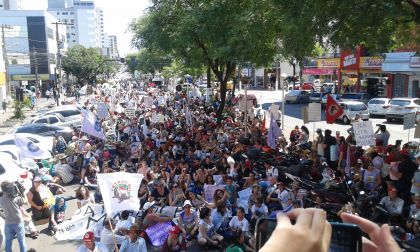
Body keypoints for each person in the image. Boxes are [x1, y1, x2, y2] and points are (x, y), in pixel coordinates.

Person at [1, 181, 28, 252]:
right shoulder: (16, 198)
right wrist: (23, 192)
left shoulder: (1, 199)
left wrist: (3, 216)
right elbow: (26, 201)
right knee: (21, 242)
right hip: (18, 223)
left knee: (8, 243)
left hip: (8, 223)